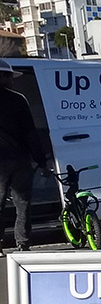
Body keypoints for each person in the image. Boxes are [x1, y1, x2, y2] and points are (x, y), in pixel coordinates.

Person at [0, 60, 48, 252]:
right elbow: (30, 133)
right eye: (9, 76)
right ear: (2, 76)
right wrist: (41, 160)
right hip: (20, 159)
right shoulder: (18, 100)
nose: (12, 79)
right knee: (23, 203)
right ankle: (23, 242)